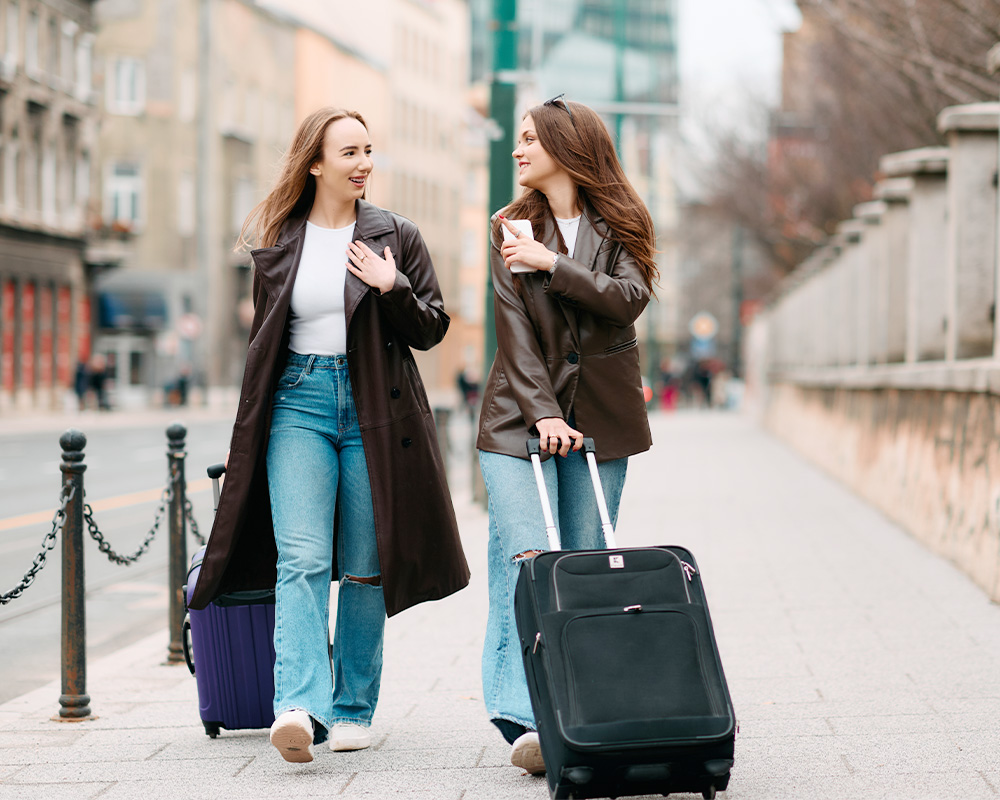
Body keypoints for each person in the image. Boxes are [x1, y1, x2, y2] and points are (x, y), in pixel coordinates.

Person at [187, 108, 470, 763]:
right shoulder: (283, 238)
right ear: (316, 163)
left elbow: (431, 326)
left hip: (374, 411)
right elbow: (266, 340)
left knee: (366, 569)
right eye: (349, 151)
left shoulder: (397, 234)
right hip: (298, 406)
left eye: (368, 150)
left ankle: (352, 710)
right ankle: (298, 706)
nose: (363, 162)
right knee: (304, 558)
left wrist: (391, 284)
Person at [476, 95, 657, 775]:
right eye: (518, 138)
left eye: (530, 139)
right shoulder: (511, 226)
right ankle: (522, 717)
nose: (518, 150)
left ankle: (582, 710)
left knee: (584, 564)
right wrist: (544, 414)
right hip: (515, 419)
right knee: (524, 557)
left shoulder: (622, 221)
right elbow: (515, 334)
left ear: (566, 145)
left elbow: (626, 300)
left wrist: (552, 266)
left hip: (602, 420)